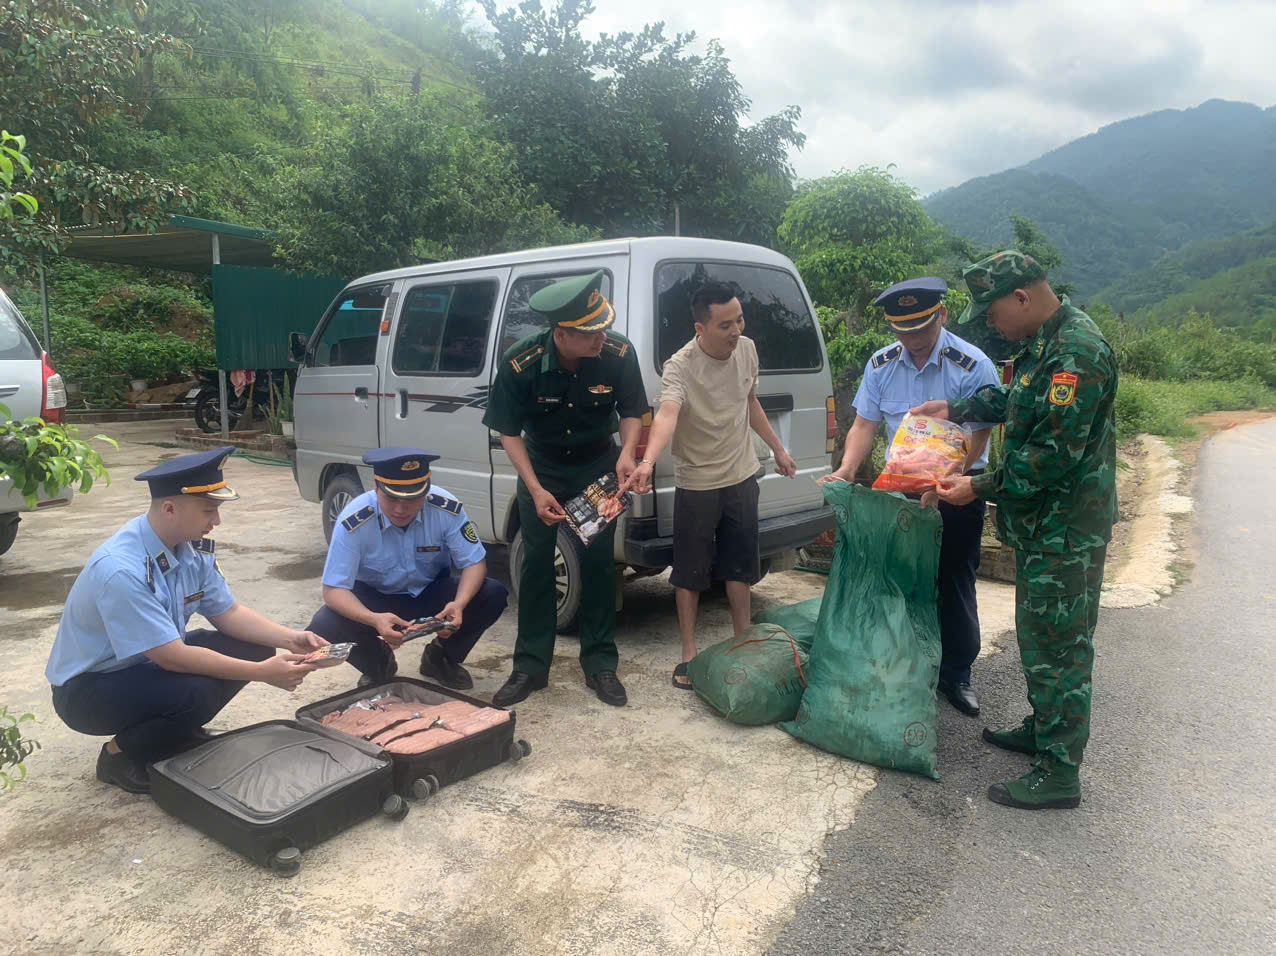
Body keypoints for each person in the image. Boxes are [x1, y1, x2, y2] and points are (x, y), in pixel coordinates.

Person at [917, 250, 1118, 811]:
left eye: (993, 311)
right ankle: (1042, 728)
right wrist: (954, 406)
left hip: (1067, 531)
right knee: (1039, 637)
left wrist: (977, 486)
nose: (990, 323)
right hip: (1043, 527)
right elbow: (1016, 399)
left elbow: (1052, 454)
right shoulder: (1042, 345)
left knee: (1061, 647)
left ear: (1023, 297)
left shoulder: (1077, 352)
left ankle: (1060, 772)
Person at [45, 447, 326, 795]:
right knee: (195, 692)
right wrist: (262, 673)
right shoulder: (122, 570)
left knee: (255, 648)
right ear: (169, 509)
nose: (216, 521)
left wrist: (291, 638)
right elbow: (172, 658)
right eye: (208, 510)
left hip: (142, 664)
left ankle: (176, 733)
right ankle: (119, 756)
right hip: (88, 689)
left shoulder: (191, 549)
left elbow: (228, 613)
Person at [820, 277, 999, 716]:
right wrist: (847, 469)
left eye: (921, 329)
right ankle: (901, 662)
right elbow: (864, 424)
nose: (913, 340)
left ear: (942, 315)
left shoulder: (972, 365)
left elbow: (980, 433)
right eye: (903, 331)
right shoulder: (881, 364)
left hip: (957, 491)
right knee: (897, 578)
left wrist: (948, 479)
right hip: (899, 491)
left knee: (954, 579)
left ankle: (957, 673)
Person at [482, 270, 648, 708]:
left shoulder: (617, 352)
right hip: (543, 469)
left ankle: (600, 664)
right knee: (536, 566)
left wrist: (628, 453)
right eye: (591, 333)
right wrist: (535, 489)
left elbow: (632, 410)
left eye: (603, 328)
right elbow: (508, 431)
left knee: (598, 565)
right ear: (561, 334)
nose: (601, 338)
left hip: (597, 467)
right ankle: (529, 667)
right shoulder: (521, 361)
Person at [622, 282, 797, 689]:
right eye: (725, 325)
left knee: (741, 567)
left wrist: (779, 449)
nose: (736, 331)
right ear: (700, 328)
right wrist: (648, 461)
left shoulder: (747, 349)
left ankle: (743, 642)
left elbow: (750, 401)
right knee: (690, 572)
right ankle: (689, 654)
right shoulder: (680, 365)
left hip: (741, 476)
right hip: (698, 482)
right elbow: (668, 414)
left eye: (739, 320)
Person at [305, 448, 507, 690]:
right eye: (391, 499)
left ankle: (440, 658)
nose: (401, 509)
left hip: (430, 591)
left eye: (411, 499)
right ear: (376, 487)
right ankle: (378, 662)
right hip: (376, 598)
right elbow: (333, 589)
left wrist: (459, 604)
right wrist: (372, 619)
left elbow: (474, 563)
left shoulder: (445, 508)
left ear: (426, 491)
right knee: (325, 623)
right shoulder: (354, 520)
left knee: (492, 594)